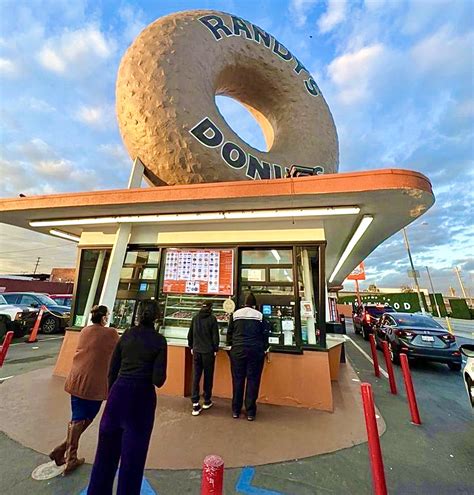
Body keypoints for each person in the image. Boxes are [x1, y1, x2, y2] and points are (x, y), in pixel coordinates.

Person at [87, 300, 167, 495]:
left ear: (138, 315)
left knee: (104, 457)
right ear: (157, 317)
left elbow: (112, 370)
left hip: (117, 396)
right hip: (142, 400)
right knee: (133, 461)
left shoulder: (126, 336)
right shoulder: (159, 341)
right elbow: (158, 379)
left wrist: (113, 393)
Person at [49, 305, 119, 474]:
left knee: (77, 418)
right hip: (94, 383)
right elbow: (119, 352)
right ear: (103, 318)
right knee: (86, 418)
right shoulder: (111, 333)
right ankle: (68, 456)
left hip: (76, 379)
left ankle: (63, 452)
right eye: (107, 315)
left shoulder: (85, 331)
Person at [227, 293, 269, 421]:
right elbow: (265, 335)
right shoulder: (260, 316)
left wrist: (231, 346)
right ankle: (250, 412)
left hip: (238, 351)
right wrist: (264, 348)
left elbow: (229, 334)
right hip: (255, 351)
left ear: (243, 304)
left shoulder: (235, 315)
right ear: (254, 304)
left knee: (238, 380)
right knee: (253, 380)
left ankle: (235, 410)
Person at [187, 301, 219, 416]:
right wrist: (215, 349)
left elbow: (190, 335)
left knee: (196, 376)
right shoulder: (212, 319)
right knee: (208, 376)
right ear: (210, 308)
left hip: (196, 351)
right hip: (208, 352)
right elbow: (215, 336)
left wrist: (191, 346)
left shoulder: (195, 318)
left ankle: (195, 402)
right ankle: (207, 400)